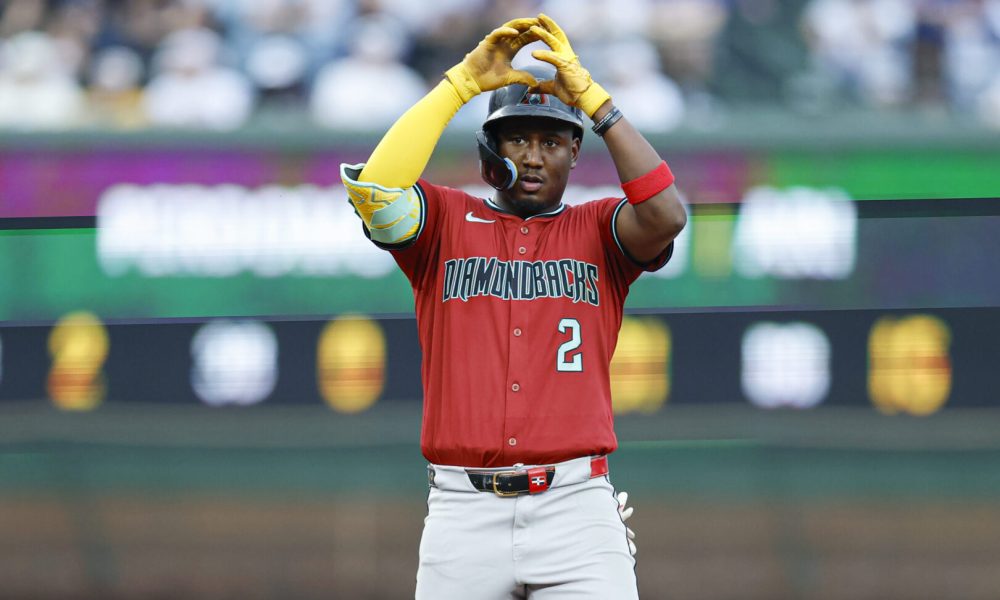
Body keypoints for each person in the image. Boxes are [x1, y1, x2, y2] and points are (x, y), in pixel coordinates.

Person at [340, 14, 686, 599]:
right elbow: (377, 189)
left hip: (576, 505)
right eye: (517, 138)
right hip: (461, 510)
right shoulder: (445, 221)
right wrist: (462, 83)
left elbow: (666, 215)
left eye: (550, 141)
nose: (532, 156)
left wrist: (595, 103)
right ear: (489, 149)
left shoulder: (599, 227)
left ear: (576, 152)